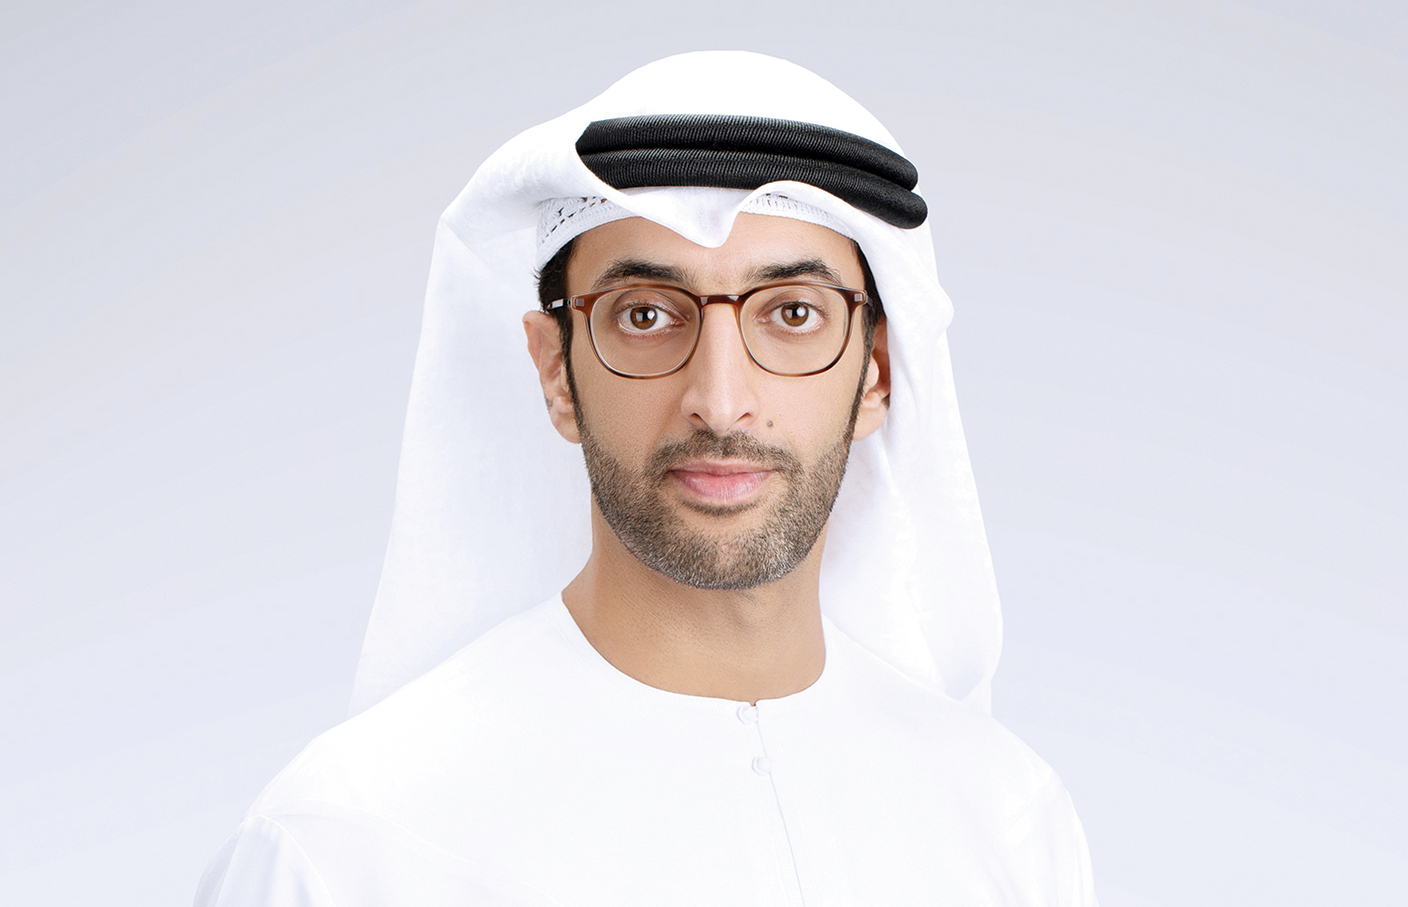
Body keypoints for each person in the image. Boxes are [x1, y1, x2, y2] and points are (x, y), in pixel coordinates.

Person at [196, 52, 1097, 906]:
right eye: (645, 315)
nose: (720, 400)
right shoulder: (351, 844)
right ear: (557, 369)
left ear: (878, 374)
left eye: (792, 312)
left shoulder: (1008, 820)